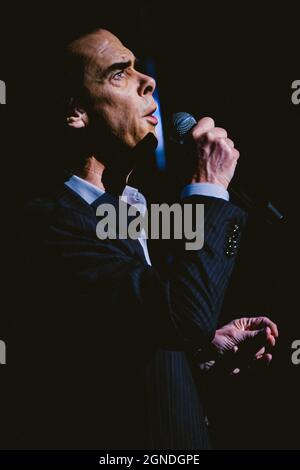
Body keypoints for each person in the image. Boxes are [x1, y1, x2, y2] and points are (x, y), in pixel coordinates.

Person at [14, 28, 278, 450]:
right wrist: (209, 188)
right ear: (76, 111)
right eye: (120, 73)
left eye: (140, 68)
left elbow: (132, 333)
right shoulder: (48, 222)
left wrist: (200, 351)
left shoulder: (130, 213)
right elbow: (187, 310)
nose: (147, 81)